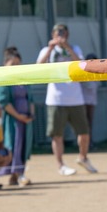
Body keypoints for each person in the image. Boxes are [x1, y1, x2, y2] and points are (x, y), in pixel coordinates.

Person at [36, 23, 96, 176]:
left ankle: (83, 157)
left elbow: (81, 65)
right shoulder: (46, 50)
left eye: (63, 33)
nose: (60, 36)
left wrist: (67, 47)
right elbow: (38, 67)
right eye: (57, 33)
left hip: (75, 98)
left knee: (84, 132)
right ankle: (61, 165)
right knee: (57, 134)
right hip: (55, 99)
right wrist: (51, 48)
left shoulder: (74, 49)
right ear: (52, 34)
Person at [0, 47, 34, 187]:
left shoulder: (23, 78)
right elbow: (3, 101)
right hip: (10, 120)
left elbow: (31, 98)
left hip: (25, 120)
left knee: (24, 147)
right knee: (12, 146)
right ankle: (17, 174)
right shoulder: (2, 78)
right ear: (5, 64)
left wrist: (30, 115)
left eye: (18, 64)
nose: (16, 67)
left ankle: (17, 175)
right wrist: (19, 116)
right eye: (12, 64)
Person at [80, 54, 100, 147]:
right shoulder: (83, 73)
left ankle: (89, 141)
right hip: (83, 100)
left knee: (90, 122)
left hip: (92, 100)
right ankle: (85, 143)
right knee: (84, 123)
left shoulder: (97, 73)